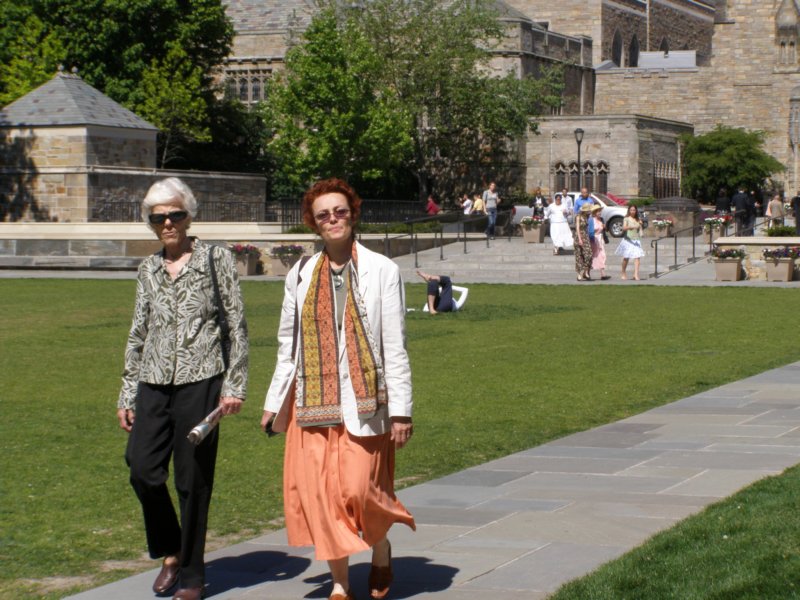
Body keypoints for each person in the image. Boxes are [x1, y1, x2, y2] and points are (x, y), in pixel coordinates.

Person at [261, 178, 415, 600]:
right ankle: (340, 583)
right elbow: (288, 343)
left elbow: (394, 345)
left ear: (353, 214)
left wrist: (401, 411)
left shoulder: (383, 270)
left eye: (340, 211)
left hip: (366, 403)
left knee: (360, 490)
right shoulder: (300, 273)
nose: (333, 219)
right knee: (324, 497)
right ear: (313, 222)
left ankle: (380, 546)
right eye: (323, 214)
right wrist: (274, 402)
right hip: (312, 402)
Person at [117, 178, 248, 600]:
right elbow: (138, 331)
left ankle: (191, 576)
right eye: (159, 217)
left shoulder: (215, 258)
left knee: (193, 480)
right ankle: (171, 549)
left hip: (202, 381)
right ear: (151, 223)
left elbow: (236, 326)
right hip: (153, 382)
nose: (168, 223)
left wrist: (234, 385)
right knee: (142, 468)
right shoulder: (148, 268)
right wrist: (127, 393)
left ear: (189, 216)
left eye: (175, 214)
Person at [615, 204, 645, 280]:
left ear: (636, 211)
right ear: (629, 210)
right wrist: (631, 227)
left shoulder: (638, 219)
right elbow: (624, 228)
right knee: (626, 258)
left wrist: (641, 225)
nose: (632, 211)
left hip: (636, 240)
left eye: (634, 210)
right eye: (631, 210)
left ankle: (636, 274)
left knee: (637, 257)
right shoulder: (626, 218)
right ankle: (623, 272)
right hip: (628, 240)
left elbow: (640, 229)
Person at [573, 203, 594, 281]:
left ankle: (586, 271)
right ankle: (579, 273)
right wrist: (580, 239)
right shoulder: (578, 217)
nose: (589, 211)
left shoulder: (587, 216)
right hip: (579, 236)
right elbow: (577, 228)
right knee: (579, 255)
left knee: (589, 254)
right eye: (588, 210)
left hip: (585, 236)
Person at [590, 204, 610, 280]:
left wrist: (604, 227)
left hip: (600, 240)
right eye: (598, 211)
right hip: (594, 239)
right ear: (594, 212)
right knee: (593, 256)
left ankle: (602, 273)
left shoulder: (601, 219)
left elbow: (604, 229)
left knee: (602, 255)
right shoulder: (592, 220)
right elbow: (590, 230)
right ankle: (586, 272)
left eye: (600, 211)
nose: (599, 212)